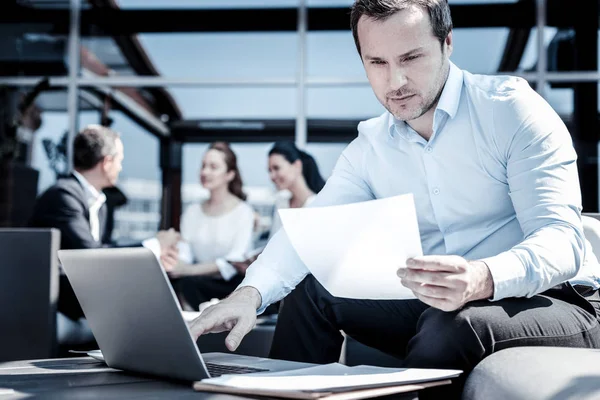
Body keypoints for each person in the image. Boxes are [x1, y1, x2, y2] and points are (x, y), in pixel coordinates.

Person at [188, 1, 600, 398]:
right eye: (378, 63)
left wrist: (481, 278)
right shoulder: (371, 146)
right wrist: (249, 295)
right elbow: (310, 232)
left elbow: (560, 240)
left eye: (411, 58)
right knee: (311, 292)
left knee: (450, 327)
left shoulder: (511, 110)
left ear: (447, 43)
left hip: (558, 300)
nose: (395, 82)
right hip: (442, 303)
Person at [30, 125, 179, 328]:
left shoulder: (100, 203)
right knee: (141, 299)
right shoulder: (63, 195)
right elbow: (91, 255)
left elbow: (104, 250)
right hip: (53, 293)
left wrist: (153, 257)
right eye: (120, 160)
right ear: (107, 162)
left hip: (81, 289)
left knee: (150, 291)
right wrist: (154, 246)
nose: (120, 167)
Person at [171, 142, 256, 311]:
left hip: (231, 288)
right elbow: (184, 255)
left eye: (213, 167)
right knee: (183, 283)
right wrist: (176, 266)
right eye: (203, 166)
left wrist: (187, 270)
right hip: (197, 286)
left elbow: (234, 262)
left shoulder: (244, 212)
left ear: (230, 174)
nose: (205, 172)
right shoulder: (192, 212)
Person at [229, 141, 325, 274]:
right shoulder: (281, 202)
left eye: (276, 168)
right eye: (269, 170)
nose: (272, 176)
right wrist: (254, 257)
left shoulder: (317, 206)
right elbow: (274, 244)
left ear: (297, 166)